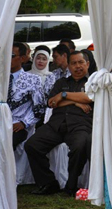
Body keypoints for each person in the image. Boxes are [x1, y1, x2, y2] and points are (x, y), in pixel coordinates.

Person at [25, 50, 93, 196]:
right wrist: (76, 102)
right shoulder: (61, 82)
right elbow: (51, 102)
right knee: (31, 145)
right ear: (68, 66)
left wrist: (64, 95)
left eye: (81, 62)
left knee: (80, 146)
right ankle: (48, 183)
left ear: (87, 64)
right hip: (56, 124)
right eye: (73, 63)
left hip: (80, 125)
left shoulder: (92, 82)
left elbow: (89, 97)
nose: (77, 66)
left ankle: (71, 186)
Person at [0, 42, 46, 151]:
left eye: (12, 56)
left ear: (23, 58)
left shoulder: (33, 80)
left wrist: (24, 123)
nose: (6, 59)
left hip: (16, 125)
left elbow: (39, 108)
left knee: (4, 146)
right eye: (4, 55)